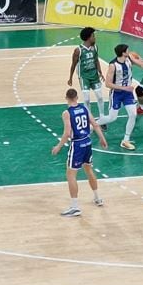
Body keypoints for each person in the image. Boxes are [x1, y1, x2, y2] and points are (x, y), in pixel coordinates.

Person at [52, 88, 108, 217]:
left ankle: (75, 207)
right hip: (87, 143)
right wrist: (102, 138)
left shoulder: (67, 113)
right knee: (89, 170)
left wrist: (58, 146)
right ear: (77, 98)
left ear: (66, 98)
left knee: (71, 175)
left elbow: (67, 133)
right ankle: (97, 198)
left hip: (77, 145)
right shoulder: (84, 109)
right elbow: (95, 124)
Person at [96, 44, 138, 150]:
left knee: (133, 114)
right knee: (112, 118)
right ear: (123, 53)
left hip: (128, 94)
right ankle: (94, 124)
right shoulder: (113, 65)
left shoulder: (128, 59)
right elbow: (108, 84)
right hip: (117, 94)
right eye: (127, 50)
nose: (129, 51)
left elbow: (140, 63)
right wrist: (124, 88)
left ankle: (125, 140)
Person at [67, 27, 106, 123]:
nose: (95, 38)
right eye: (93, 36)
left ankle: (102, 118)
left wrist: (100, 72)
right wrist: (70, 77)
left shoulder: (95, 47)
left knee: (100, 97)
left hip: (94, 76)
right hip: (84, 77)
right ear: (89, 38)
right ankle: (89, 119)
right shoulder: (78, 50)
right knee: (87, 99)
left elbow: (96, 60)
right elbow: (73, 64)